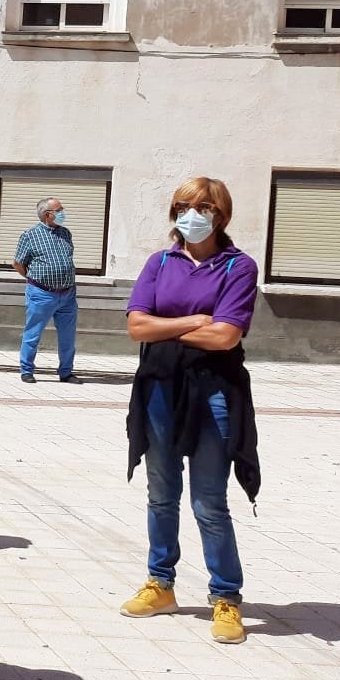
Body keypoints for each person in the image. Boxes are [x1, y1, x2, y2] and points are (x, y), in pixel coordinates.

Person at [122, 176, 261, 646]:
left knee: (209, 502)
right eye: (183, 206)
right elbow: (136, 326)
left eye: (202, 206)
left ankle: (226, 596)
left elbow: (226, 337)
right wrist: (194, 321)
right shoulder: (159, 262)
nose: (191, 214)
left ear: (220, 214)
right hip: (160, 388)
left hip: (214, 392)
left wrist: (166, 328)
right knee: (161, 492)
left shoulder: (237, 267)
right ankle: (160, 583)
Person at [14, 196, 79, 384]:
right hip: (42, 294)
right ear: (47, 214)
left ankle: (66, 372)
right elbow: (18, 263)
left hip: (67, 294)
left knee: (68, 336)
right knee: (33, 333)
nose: (63, 213)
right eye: (59, 210)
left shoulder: (66, 233)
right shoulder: (30, 235)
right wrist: (35, 279)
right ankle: (26, 370)